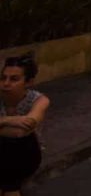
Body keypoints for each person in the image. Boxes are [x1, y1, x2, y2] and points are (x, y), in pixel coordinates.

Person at [1, 54, 49, 196]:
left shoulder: (39, 100)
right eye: (3, 78)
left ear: (28, 82)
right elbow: (14, 128)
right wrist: (9, 120)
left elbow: (20, 132)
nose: (6, 83)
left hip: (24, 153)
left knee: (13, 145)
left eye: (14, 79)